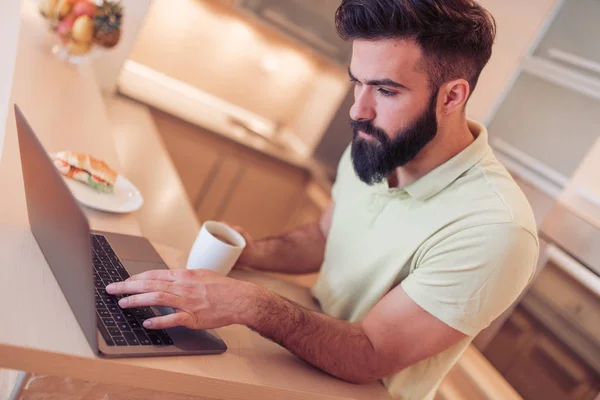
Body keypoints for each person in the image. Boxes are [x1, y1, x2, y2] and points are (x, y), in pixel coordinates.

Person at [106, 1, 539, 398]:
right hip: (298, 360)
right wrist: (253, 252)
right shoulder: (376, 144)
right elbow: (324, 235)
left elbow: (370, 352)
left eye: (385, 91)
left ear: (452, 96)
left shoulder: (495, 229)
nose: (358, 110)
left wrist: (248, 302)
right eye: (358, 84)